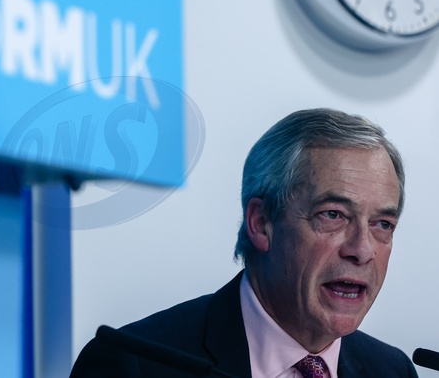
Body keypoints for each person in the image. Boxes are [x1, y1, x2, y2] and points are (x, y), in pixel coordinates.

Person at [70, 108, 418, 377]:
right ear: (261, 223)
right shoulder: (135, 365)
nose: (362, 250)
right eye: (333, 215)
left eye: (382, 224)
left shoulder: (392, 371)